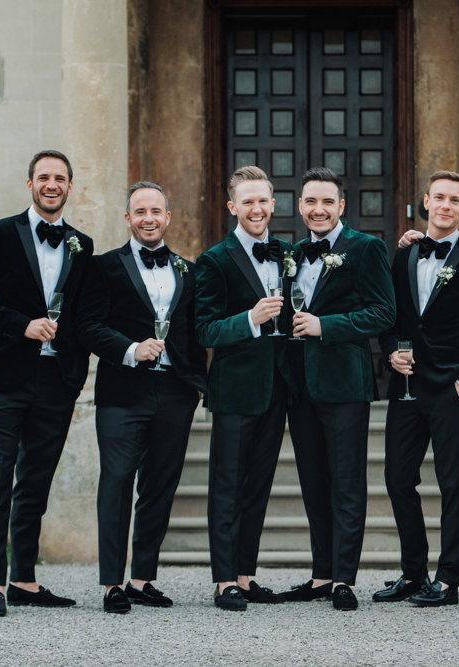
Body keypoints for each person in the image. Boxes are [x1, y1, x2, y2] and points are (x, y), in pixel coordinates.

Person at [0, 150, 93, 617]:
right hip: (4, 379)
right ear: (29, 183)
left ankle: (24, 580)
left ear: (69, 186)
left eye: (60, 178)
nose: (51, 184)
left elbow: (84, 316)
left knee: (35, 483)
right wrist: (21, 325)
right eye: (43, 177)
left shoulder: (82, 244)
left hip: (56, 383)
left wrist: (77, 374)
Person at [75, 181, 206, 614]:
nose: (149, 218)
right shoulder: (103, 267)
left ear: (168, 218)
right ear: (128, 219)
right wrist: (131, 349)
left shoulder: (188, 270)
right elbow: (88, 325)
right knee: (116, 484)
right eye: (140, 211)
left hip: (175, 393)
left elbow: (194, 330)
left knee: (159, 486)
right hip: (122, 393)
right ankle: (112, 583)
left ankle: (142, 578)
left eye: (156, 211)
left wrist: (198, 383)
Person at [374, 171, 459, 607]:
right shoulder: (403, 255)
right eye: (439, 197)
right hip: (405, 387)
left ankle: (447, 580)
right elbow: (389, 319)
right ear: (426, 202)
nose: (446, 205)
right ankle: (413, 574)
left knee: (451, 484)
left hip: (449, 389)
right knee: (396, 479)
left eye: (455, 200)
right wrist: (390, 352)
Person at [278, 167, 395, 611]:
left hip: (345, 386)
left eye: (327, 201)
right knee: (313, 482)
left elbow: (382, 313)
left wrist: (325, 325)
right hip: (300, 386)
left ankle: (345, 579)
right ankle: (321, 574)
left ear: (341, 206)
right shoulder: (292, 253)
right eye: (310, 201)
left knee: (346, 483)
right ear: (301, 206)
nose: (318, 209)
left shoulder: (365, 249)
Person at [194, 166, 293, 611]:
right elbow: (205, 330)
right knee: (228, 486)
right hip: (235, 392)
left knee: (258, 487)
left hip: (278, 390)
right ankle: (223, 581)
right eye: (247, 202)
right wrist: (250, 320)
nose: (256, 209)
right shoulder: (214, 260)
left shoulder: (289, 253)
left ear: (273, 204)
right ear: (232, 207)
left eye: (263, 201)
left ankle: (246, 575)